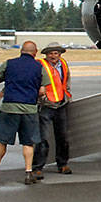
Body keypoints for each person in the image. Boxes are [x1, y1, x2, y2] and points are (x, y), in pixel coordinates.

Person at [0, 40, 51, 185]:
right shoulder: (39, 67)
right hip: (29, 108)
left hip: (9, 107)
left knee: (2, 141)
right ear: (35, 53)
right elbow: (42, 91)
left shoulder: (9, 63)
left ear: (21, 51)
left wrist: (7, 82)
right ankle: (28, 173)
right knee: (28, 143)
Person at [34, 43, 73, 177]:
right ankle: (37, 167)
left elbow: (66, 81)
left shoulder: (63, 64)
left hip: (61, 104)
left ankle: (63, 164)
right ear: (46, 55)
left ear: (60, 54)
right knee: (43, 138)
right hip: (46, 106)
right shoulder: (40, 65)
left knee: (63, 137)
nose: (53, 56)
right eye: (50, 53)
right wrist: (42, 99)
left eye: (55, 53)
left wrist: (67, 96)